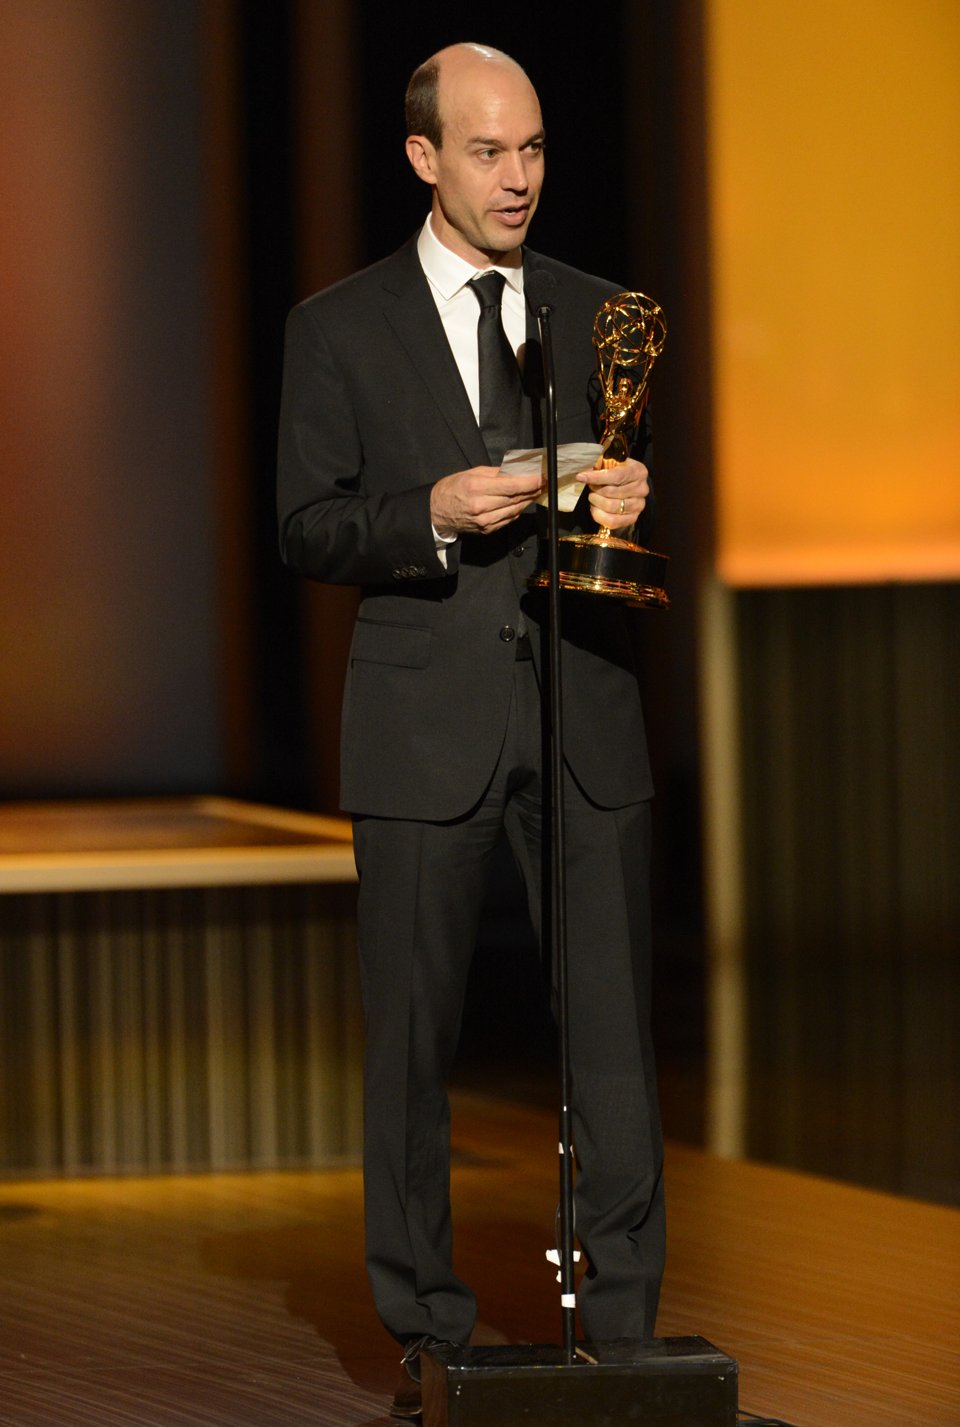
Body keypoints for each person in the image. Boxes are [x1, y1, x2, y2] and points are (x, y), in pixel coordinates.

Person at [277, 42, 665, 1420]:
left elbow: (629, 488)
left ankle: (623, 1330)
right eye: (490, 153)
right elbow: (308, 523)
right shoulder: (339, 326)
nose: (519, 179)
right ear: (423, 159)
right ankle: (425, 1324)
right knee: (413, 1043)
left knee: (612, 1034)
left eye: (537, 150)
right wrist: (430, 515)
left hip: (582, 711)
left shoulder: (600, 312)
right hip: (422, 719)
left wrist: (622, 504)